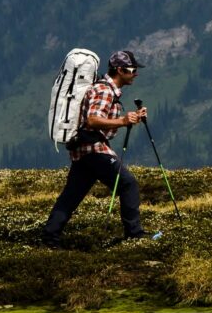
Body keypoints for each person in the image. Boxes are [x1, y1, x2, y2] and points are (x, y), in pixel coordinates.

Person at [41, 49, 151, 247]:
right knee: (128, 184)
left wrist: (131, 118)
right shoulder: (104, 90)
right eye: (132, 70)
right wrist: (123, 120)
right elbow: (92, 119)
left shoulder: (106, 90)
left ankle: (50, 237)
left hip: (83, 150)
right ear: (119, 70)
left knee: (71, 196)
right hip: (93, 149)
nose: (136, 73)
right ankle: (135, 235)